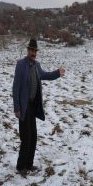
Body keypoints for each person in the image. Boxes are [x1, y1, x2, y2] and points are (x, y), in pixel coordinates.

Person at [12, 38, 65, 177]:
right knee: (26, 137)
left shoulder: (37, 66)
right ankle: (20, 166)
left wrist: (57, 73)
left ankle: (29, 164)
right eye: (31, 50)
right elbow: (16, 86)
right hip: (23, 107)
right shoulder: (20, 65)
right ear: (27, 50)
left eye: (35, 51)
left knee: (33, 136)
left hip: (32, 106)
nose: (33, 53)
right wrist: (16, 108)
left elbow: (45, 75)